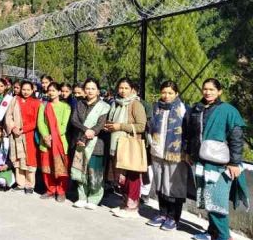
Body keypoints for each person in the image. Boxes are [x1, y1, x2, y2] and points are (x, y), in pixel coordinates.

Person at [185, 78, 248, 240]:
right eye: (205, 89)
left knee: (217, 201)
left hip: (221, 165)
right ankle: (212, 232)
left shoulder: (229, 110)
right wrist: (188, 152)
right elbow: (189, 133)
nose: (207, 92)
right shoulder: (196, 108)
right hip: (201, 161)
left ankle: (224, 236)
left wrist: (234, 162)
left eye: (212, 89)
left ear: (220, 91)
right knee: (207, 198)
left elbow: (236, 138)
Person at [145, 81, 189, 231]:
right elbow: (149, 127)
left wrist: (186, 150)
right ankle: (162, 213)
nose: (166, 96)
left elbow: (188, 131)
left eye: (170, 93)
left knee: (174, 186)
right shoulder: (156, 107)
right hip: (157, 151)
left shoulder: (182, 108)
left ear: (176, 94)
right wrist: (152, 142)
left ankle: (173, 218)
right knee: (160, 184)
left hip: (175, 154)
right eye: (164, 92)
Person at [105, 78, 147, 218]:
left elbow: (142, 126)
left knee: (132, 176)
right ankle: (124, 203)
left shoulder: (135, 104)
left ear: (132, 90)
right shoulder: (116, 104)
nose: (123, 91)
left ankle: (132, 207)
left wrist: (120, 126)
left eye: (126, 88)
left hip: (130, 144)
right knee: (121, 176)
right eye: (121, 88)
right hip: (117, 143)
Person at [70, 78, 110, 210]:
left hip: (96, 143)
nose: (90, 91)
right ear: (84, 90)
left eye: (93, 88)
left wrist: (92, 131)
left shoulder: (104, 106)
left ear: (98, 91)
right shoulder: (79, 103)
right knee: (80, 169)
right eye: (87, 88)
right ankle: (82, 197)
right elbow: (74, 120)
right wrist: (85, 130)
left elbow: (101, 123)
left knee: (94, 171)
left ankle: (94, 197)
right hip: (81, 140)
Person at [5, 80, 41, 194]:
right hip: (15, 134)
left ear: (32, 90)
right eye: (23, 89)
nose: (25, 92)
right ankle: (20, 183)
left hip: (28, 135)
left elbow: (36, 121)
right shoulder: (15, 100)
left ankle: (30, 185)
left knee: (29, 160)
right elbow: (8, 115)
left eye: (28, 90)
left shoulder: (37, 103)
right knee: (18, 159)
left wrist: (23, 130)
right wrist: (13, 127)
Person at [37, 82, 71, 203]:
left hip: (60, 143)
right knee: (47, 168)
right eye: (49, 90)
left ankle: (61, 191)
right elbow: (40, 122)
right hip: (45, 142)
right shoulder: (44, 105)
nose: (51, 92)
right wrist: (45, 136)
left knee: (61, 168)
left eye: (53, 90)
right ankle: (50, 190)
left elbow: (63, 126)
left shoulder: (65, 107)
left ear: (59, 92)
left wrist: (52, 136)